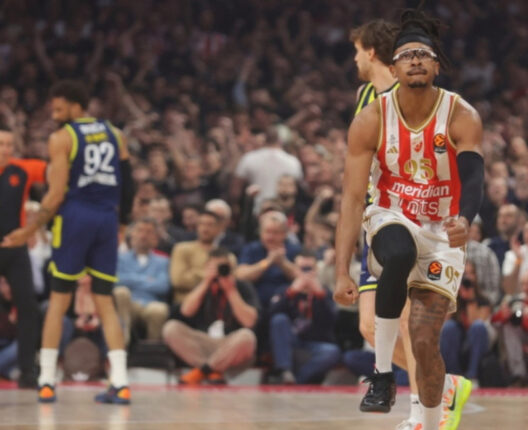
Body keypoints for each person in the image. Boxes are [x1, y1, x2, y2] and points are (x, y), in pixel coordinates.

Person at [334, 9, 483, 430]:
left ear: (437, 64)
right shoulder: (371, 112)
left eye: (423, 55)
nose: (415, 61)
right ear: (393, 64)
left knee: (420, 336)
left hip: (440, 228)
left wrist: (465, 218)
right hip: (389, 216)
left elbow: (474, 175)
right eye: (407, 55)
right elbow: (351, 197)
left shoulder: (460, 113)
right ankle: (384, 377)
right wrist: (340, 268)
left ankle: (432, 407)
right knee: (377, 308)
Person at [2, 81, 135, 404]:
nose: (54, 114)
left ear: (76, 105)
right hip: (106, 219)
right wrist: (122, 223)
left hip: (75, 219)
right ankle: (120, 382)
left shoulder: (62, 138)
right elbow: (129, 183)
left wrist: (29, 231)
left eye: (59, 108)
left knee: (59, 300)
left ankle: (47, 381)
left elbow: (55, 195)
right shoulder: (115, 134)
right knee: (105, 302)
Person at [351, 18, 438, 430]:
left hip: (409, 217)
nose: (354, 59)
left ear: (371, 52)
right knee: (369, 325)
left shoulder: (412, 97)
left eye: (356, 51)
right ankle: (443, 384)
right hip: (375, 218)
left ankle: (423, 412)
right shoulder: (364, 95)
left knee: (405, 321)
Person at [162, 248, 258, 385]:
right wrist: (206, 282)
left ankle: (202, 371)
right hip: (203, 342)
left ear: (232, 269)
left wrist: (231, 291)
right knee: (171, 328)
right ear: (206, 268)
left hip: (230, 344)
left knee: (247, 337)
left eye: (223, 267)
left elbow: (249, 321)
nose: (218, 272)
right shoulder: (201, 286)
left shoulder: (242, 287)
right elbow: (186, 311)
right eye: (213, 268)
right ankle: (214, 371)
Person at [0, 129, 43, 387]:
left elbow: (56, 171)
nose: (5, 148)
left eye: (9, 144)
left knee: (29, 308)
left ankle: (28, 371)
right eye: (1, 144)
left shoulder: (22, 169)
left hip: (15, 248)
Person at [268, 250, 340, 384]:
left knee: (332, 352)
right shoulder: (284, 290)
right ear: (295, 270)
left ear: (316, 270)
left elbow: (333, 321)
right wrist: (291, 293)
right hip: (289, 344)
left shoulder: (325, 292)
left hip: (315, 344)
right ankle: (285, 371)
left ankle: (296, 382)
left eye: (309, 269)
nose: (306, 273)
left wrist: (320, 296)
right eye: (302, 269)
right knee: (279, 319)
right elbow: (271, 316)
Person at [113, 218, 170, 346]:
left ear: (155, 237)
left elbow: (163, 286)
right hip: (127, 304)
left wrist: (130, 279)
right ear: (131, 234)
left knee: (159, 310)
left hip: (150, 304)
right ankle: (122, 343)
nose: (143, 235)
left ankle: (152, 351)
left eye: (149, 232)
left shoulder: (163, 260)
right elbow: (116, 280)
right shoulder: (119, 258)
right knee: (121, 292)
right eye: (139, 230)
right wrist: (147, 279)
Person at [439, 262, 492, 385]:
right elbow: (443, 325)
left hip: (474, 347)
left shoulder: (483, 301)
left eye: (470, 273)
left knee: (478, 327)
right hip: (454, 347)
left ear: (476, 276)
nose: (467, 277)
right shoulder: (451, 298)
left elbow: (478, 325)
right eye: (464, 273)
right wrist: (454, 295)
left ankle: (473, 377)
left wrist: (471, 300)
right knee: (449, 327)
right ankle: (454, 378)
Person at [170, 210, 227, 304]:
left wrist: (194, 274)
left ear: (219, 229)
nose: (205, 228)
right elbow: (178, 280)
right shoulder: (181, 249)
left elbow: (229, 283)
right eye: (202, 224)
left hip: (216, 305)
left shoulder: (227, 255)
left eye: (210, 225)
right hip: (184, 303)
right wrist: (211, 276)